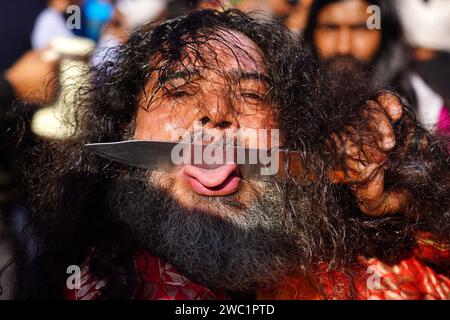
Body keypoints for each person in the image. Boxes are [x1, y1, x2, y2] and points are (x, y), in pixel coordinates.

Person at [14, 9, 449, 300]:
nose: (217, 114)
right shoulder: (82, 288)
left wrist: (419, 203)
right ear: (126, 129)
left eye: (250, 94)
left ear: (288, 133)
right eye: (180, 90)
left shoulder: (360, 276)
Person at [303, 0, 449, 134]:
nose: (343, 47)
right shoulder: (290, 98)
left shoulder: (426, 107)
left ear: (384, 35)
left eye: (360, 29)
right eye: (331, 28)